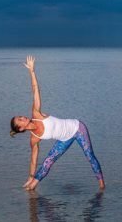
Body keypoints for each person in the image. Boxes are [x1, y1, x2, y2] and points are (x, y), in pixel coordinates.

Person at [10, 55, 105, 190]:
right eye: (20, 120)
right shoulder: (34, 139)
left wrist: (31, 71)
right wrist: (30, 176)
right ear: (20, 128)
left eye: (20, 116)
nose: (23, 117)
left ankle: (102, 186)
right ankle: (31, 187)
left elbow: (36, 90)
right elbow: (33, 160)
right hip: (64, 139)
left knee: (89, 156)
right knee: (48, 161)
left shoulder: (36, 114)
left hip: (77, 128)